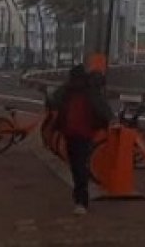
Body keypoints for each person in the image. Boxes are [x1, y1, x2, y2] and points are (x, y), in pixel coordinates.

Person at [49, 64, 112, 214]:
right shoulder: (87, 91)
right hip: (84, 133)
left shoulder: (68, 90)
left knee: (77, 167)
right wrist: (110, 119)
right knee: (80, 166)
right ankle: (81, 200)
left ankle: (81, 200)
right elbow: (102, 108)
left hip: (72, 132)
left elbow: (52, 100)